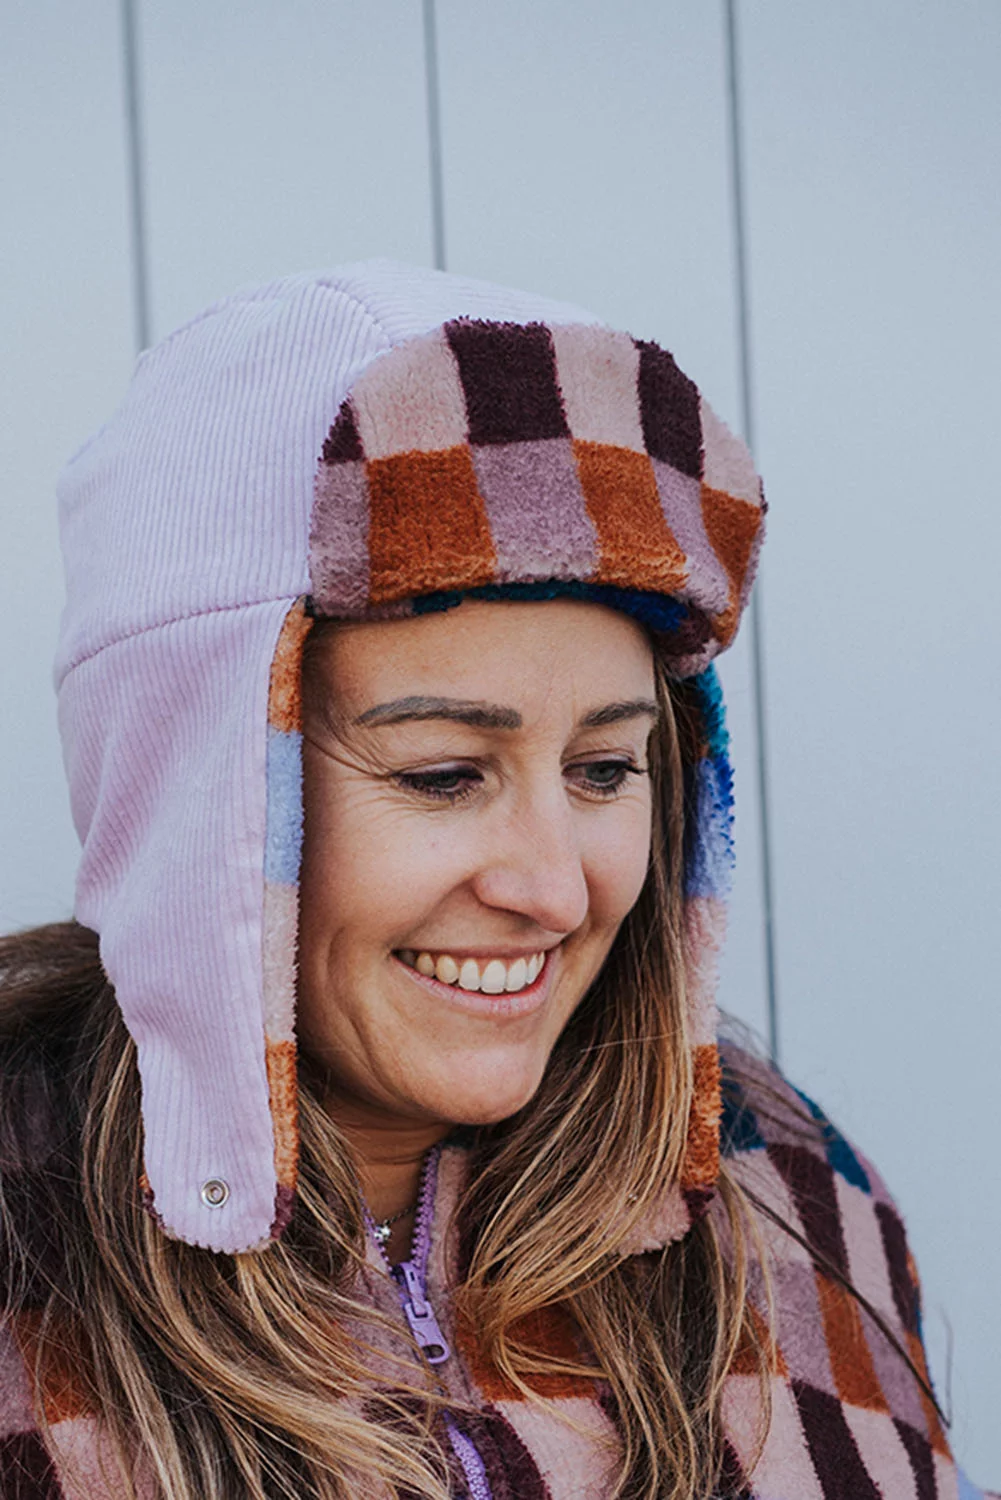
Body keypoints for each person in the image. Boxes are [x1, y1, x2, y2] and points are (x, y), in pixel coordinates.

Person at [0, 260, 992, 1500]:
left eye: (602, 769)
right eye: (442, 775)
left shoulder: (783, 1183)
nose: (555, 892)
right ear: (193, 798)